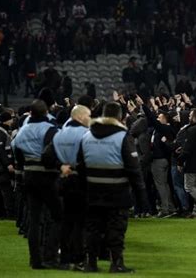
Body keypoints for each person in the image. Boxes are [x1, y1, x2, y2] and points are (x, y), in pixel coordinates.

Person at [77, 102, 140, 273]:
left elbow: (80, 166)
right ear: (120, 117)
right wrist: (140, 194)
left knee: (92, 228)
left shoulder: (87, 135)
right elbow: (133, 167)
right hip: (117, 192)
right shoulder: (122, 137)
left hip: (92, 191)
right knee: (116, 228)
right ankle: (116, 263)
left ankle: (90, 263)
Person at [12, 100, 61, 269]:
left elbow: (16, 152)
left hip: (28, 174)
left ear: (31, 113)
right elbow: (53, 152)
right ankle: (50, 256)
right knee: (57, 216)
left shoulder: (22, 131)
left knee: (34, 218)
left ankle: (35, 260)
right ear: (46, 112)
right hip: (46, 175)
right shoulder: (50, 129)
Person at [42, 105, 91, 267]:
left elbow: (46, 157)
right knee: (80, 223)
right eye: (88, 116)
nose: (90, 119)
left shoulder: (58, 134)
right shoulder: (87, 134)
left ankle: (63, 258)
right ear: (80, 117)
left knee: (65, 221)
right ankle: (78, 259)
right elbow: (89, 159)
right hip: (81, 182)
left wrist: (60, 166)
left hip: (62, 182)